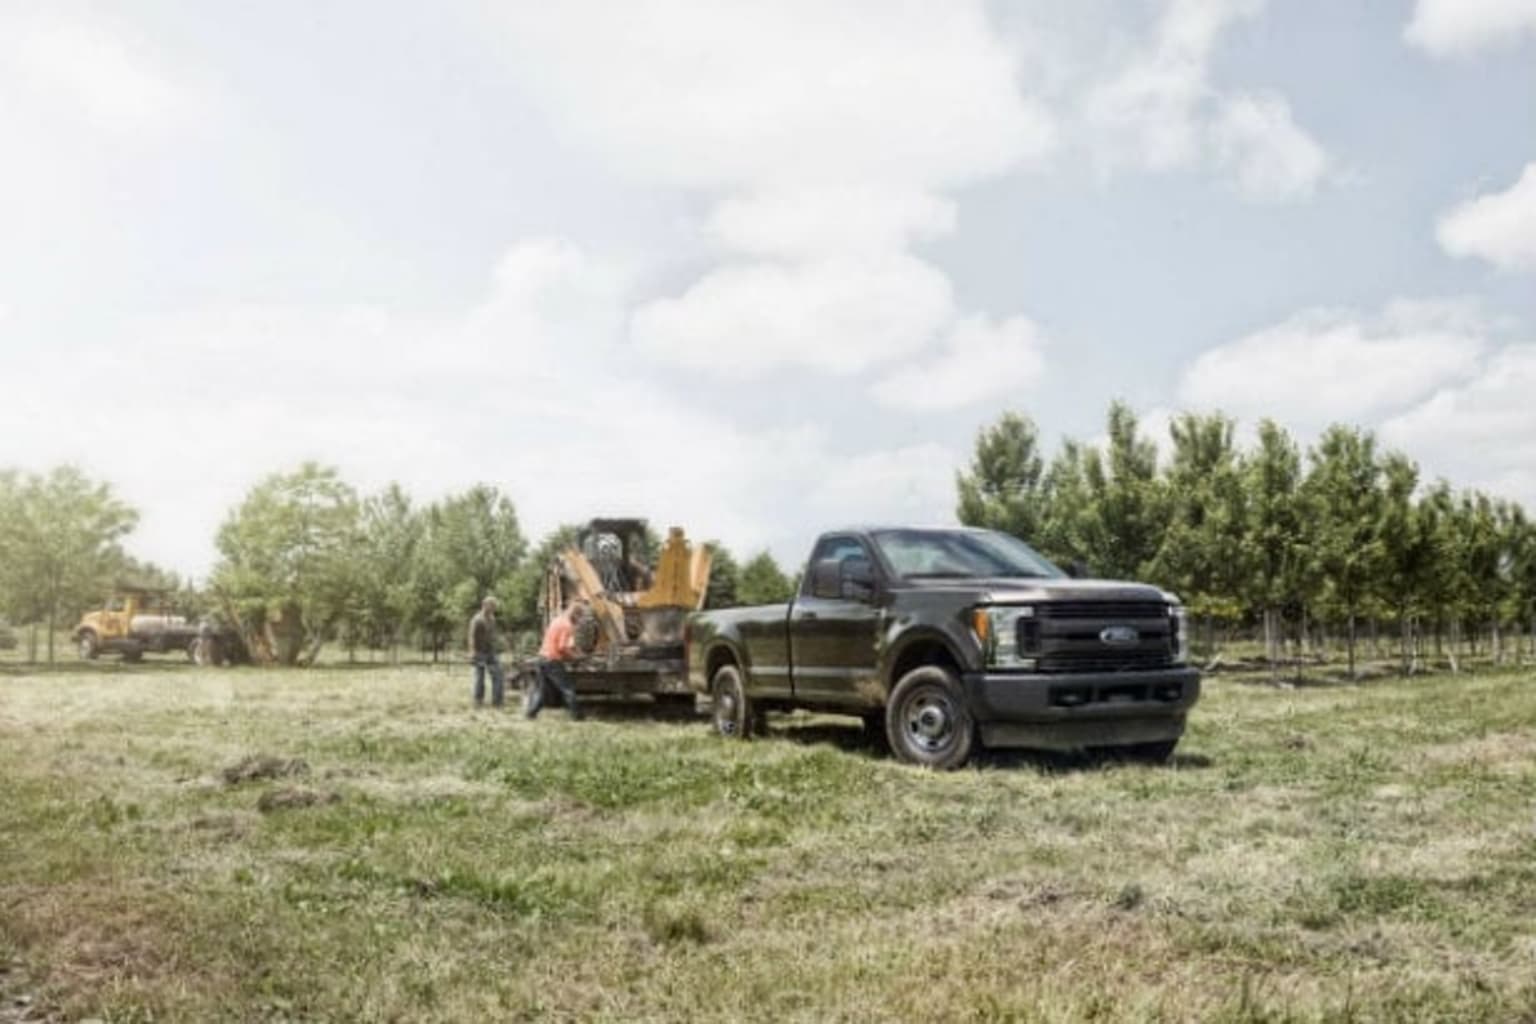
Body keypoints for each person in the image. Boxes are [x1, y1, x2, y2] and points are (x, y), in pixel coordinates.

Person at [526, 602, 587, 720]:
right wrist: (575, 657)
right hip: (552, 661)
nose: (579, 620)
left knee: (542, 690)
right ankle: (577, 715)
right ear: (575, 614)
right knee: (567, 688)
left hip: (542, 658)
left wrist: (576, 651)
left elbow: (566, 644)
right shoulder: (567, 626)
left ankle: (530, 713)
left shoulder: (557, 620)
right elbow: (562, 647)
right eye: (580, 616)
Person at [467, 596, 506, 708]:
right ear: (484, 605)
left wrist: (500, 645)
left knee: (498, 674)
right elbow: (471, 637)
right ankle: (478, 701)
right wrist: (472, 652)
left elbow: (493, 635)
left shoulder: (492, 618)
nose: (494, 608)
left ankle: (497, 701)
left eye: (494, 606)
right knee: (479, 677)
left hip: (491, 652)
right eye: (492, 606)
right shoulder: (477, 619)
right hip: (479, 652)